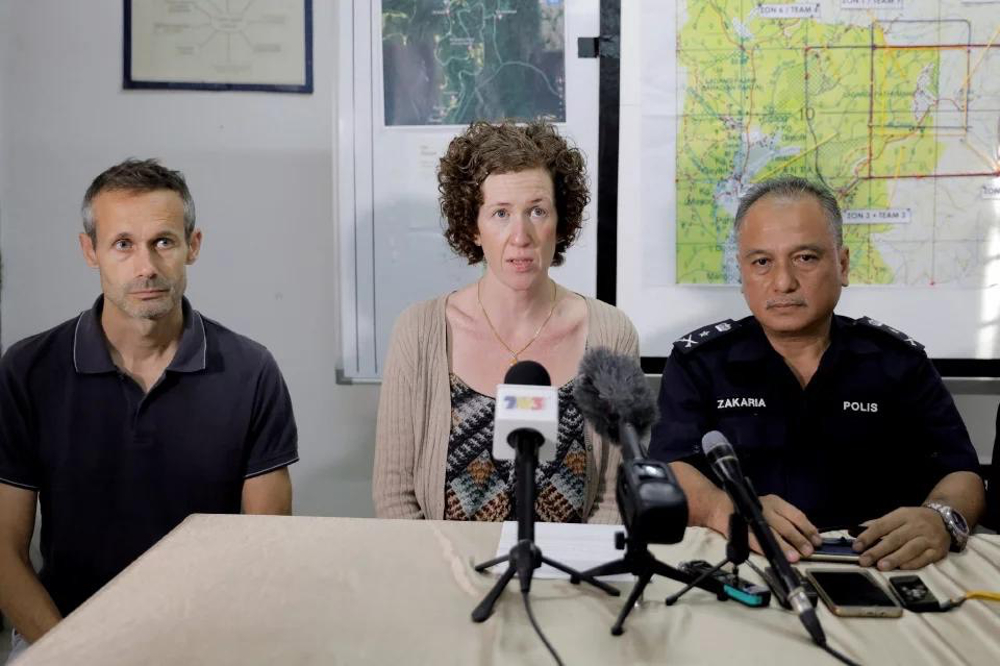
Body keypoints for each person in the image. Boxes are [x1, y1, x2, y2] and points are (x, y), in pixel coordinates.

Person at [0, 159, 299, 656]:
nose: (146, 267)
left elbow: (265, 550)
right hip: (61, 631)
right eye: (123, 244)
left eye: (163, 242)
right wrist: (72, 651)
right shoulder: (27, 371)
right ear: (90, 251)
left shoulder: (250, 371)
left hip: (206, 638)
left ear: (192, 246)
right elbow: (4, 552)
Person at [649, 175, 985, 571]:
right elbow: (671, 468)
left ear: (842, 264)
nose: (783, 282)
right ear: (742, 272)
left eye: (805, 258)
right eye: (762, 262)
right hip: (743, 564)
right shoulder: (699, 363)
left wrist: (940, 518)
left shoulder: (899, 363)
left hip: (878, 567)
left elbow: (962, 473)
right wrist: (727, 508)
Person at [373, 120, 638, 522]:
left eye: (537, 211)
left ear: (561, 223)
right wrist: (447, 563)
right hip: (445, 561)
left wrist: (570, 564)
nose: (521, 235)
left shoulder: (612, 335)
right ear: (473, 227)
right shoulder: (419, 332)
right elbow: (395, 495)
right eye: (500, 213)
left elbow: (613, 494)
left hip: (571, 563)